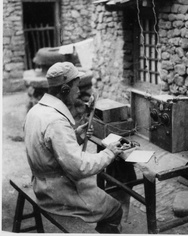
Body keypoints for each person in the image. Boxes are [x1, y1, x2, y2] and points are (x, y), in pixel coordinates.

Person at [24, 62, 123, 233]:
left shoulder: (36, 111)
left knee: (97, 194)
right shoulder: (56, 121)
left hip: (42, 185)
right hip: (58, 195)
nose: (78, 92)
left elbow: (47, 148)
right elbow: (79, 167)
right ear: (64, 89)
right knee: (114, 209)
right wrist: (109, 153)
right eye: (76, 87)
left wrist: (75, 135)